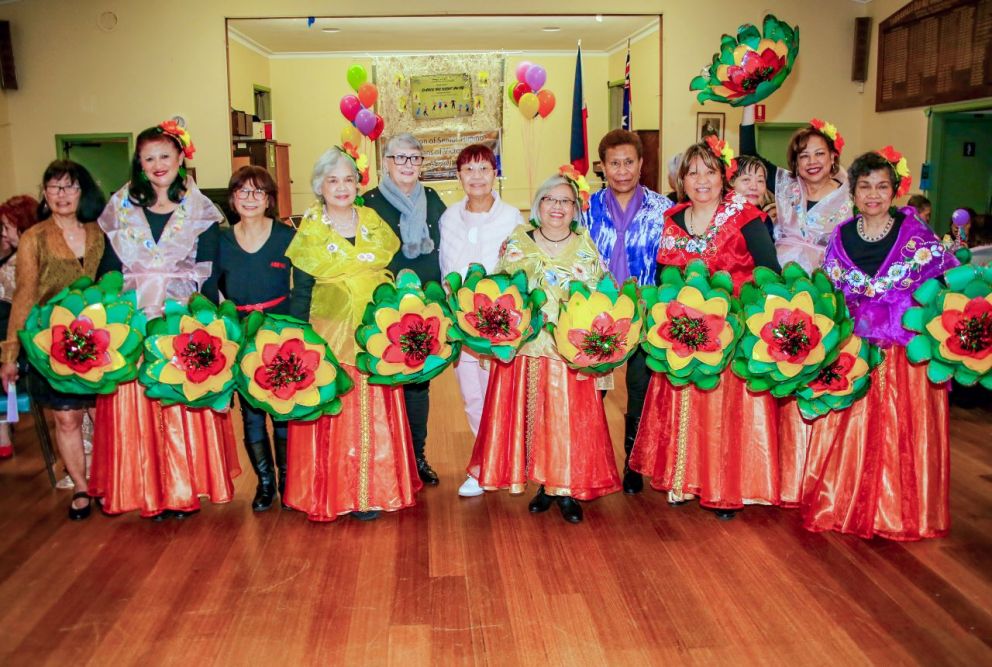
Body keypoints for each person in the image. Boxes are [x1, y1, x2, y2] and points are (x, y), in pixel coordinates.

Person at [802, 149, 958, 540]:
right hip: (856, 351)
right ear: (852, 192)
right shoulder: (841, 236)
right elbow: (831, 292)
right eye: (865, 186)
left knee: (901, 431)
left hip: (905, 352)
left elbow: (946, 288)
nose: (873, 194)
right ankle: (845, 502)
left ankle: (898, 511)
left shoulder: (916, 235)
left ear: (894, 191)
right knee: (851, 428)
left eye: (882, 187)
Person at [90, 121, 240, 520]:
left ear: (180, 159)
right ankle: (144, 489)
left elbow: (210, 273)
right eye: (149, 158)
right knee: (136, 403)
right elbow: (108, 266)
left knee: (178, 402)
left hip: (182, 321)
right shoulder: (121, 207)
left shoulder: (200, 209)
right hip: (132, 319)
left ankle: (183, 489)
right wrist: (100, 311)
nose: (158, 164)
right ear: (139, 164)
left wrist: (208, 327)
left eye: (164, 156)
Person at [630, 140, 782, 520]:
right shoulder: (674, 220)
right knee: (688, 411)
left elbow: (770, 273)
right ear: (681, 179)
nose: (701, 180)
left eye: (709, 171)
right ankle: (685, 480)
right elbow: (665, 275)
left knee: (722, 415)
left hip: (732, 338)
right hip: (684, 336)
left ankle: (724, 486)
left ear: (723, 176)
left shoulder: (746, 217)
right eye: (692, 172)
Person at [467, 171, 622, 524]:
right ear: (538, 204)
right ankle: (542, 485)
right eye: (551, 199)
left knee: (568, 423)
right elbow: (498, 291)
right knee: (534, 419)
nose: (558, 207)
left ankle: (565, 489)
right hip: (528, 351)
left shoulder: (586, 246)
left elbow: (606, 293)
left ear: (574, 209)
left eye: (566, 201)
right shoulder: (517, 243)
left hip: (572, 353)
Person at [285, 146, 421, 522]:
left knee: (374, 410)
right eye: (333, 180)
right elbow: (301, 290)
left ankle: (374, 491)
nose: (342, 187)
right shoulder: (310, 229)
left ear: (357, 184)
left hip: (374, 332)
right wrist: (300, 339)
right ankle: (334, 492)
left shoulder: (374, 221)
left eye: (348, 179)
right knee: (336, 410)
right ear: (319, 186)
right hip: (328, 336)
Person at [0, 163, 105, 519]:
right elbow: (24, 296)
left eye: (69, 187)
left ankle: (106, 482)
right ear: (45, 193)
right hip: (52, 344)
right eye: (53, 187)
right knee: (67, 419)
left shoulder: (99, 231)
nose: (61, 194)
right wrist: (10, 354)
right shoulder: (34, 237)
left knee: (102, 416)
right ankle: (80, 487)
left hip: (101, 341)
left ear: (84, 192)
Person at [585, 129, 674, 494]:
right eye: (614, 163)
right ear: (602, 167)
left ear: (641, 164)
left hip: (645, 314)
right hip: (596, 316)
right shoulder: (586, 208)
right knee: (593, 394)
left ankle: (633, 464)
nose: (622, 170)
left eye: (628, 162)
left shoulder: (664, 209)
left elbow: (671, 262)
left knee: (639, 390)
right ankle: (587, 465)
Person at [438, 144, 523, 497]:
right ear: (459, 176)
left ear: (494, 174)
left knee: (498, 393)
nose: (476, 177)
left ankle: (507, 461)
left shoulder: (512, 217)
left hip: (500, 323)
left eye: (484, 169)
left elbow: (520, 268)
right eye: (468, 170)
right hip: (460, 321)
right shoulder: (448, 218)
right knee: (471, 394)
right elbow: (445, 267)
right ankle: (484, 464)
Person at [364, 133, 446, 486]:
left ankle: (416, 456)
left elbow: (444, 251)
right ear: (386, 163)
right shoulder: (368, 203)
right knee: (382, 386)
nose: (408, 165)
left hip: (423, 309)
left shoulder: (432, 199)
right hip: (383, 307)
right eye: (400, 158)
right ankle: (386, 459)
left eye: (415, 158)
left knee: (417, 385)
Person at [217, 165, 295, 512]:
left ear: (269, 199)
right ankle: (265, 485)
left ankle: (290, 482)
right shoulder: (218, 239)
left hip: (281, 331)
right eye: (242, 192)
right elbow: (209, 291)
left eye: (258, 192)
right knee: (251, 414)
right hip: (241, 334)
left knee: (281, 410)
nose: (250, 199)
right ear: (232, 198)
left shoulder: (287, 237)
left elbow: (303, 287)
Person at [739, 105, 853, 271]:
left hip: (825, 283)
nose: (812, 161)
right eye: (804, 156)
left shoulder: (851, 196)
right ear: (796, 162)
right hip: (778, 278)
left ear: (833, 157)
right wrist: (749, 104)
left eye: (819, 154)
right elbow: (748, 155)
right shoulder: (786, 184)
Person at [0, 195, 39, 459]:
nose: (2, 233)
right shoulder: (9, 258)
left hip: (24, 341)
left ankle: (3, 430)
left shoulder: (24, 261)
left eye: (6, 227)